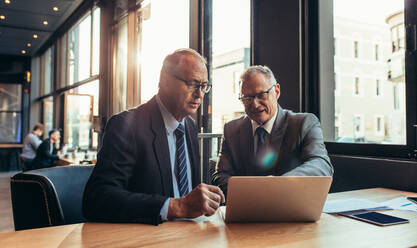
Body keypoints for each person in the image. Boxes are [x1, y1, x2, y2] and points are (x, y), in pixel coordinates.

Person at [83, 48, 225, 225]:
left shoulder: (190, 126)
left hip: (190, 234)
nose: (199, 94)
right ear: (165, 81)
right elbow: (97, 198)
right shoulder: (126, 125)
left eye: (204, 86)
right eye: (192, 84)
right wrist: (176, 207)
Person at [212, 65, 333, 196]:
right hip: (246, 208)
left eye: (261, 95)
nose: (255, 104)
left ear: (276, 91)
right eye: (247, 98)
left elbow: (321, 166)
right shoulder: (231, 129)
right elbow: (220, 175)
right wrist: (249, 197)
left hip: (289, 206)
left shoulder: (303, 123)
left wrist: (277, 185)